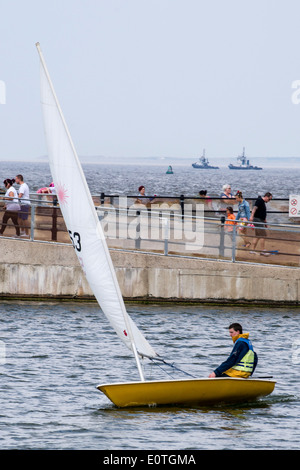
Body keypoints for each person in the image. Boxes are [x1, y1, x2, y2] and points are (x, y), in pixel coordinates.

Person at [249, 192, 273, 256]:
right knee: (263, 235)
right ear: (266, 197)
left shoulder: (262, 202)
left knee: (257, 236)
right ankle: (263, 251)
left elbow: (263, 213)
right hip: (258, 220)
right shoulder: (260, 200)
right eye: (269, 199)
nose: (269, 201)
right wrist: (251, 216)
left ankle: (252, 250)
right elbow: (254, 208)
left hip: (260, 220)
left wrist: (265, 222)